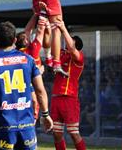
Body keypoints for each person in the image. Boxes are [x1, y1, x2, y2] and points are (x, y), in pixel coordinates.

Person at [0, 21, 53, 150]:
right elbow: (40, 90)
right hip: (26, 127)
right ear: (14, 40)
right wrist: (46, 114)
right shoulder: (28, 60)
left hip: (3, 126)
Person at [50, 21, 86, 150]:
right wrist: (53, 27)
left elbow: (72, 48)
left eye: (70, 40)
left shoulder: (79, 58)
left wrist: (63, 27)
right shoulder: (61, 54)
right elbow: (51, 45)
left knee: (73, 133)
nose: (67, 42)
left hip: (69, 97)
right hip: (56, 97)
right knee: (57, 134)